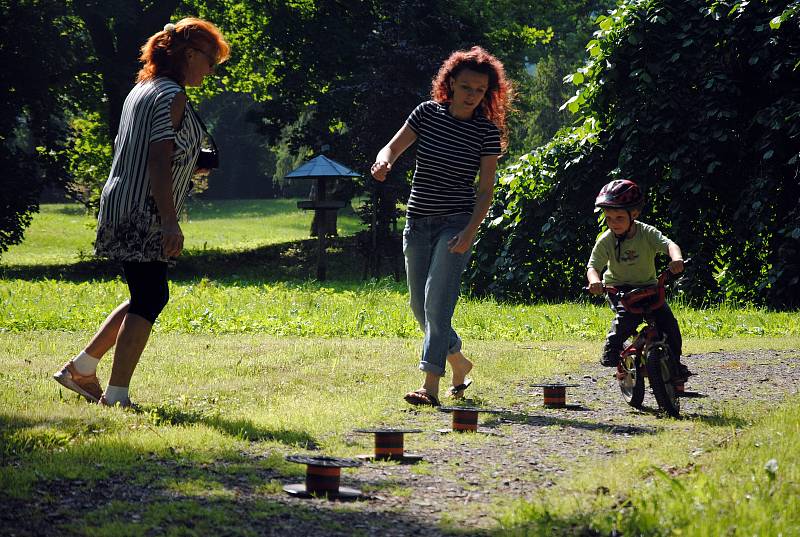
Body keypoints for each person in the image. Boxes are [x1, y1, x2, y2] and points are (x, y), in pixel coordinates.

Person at [53, 18, 230, 408]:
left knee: (144, 295)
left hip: (120, 202)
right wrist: (169, 220)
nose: (211, 69)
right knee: (151, 295)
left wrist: (191, 161)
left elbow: (142, 148)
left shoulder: (142, 90)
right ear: (188, 54)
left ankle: (81, 368)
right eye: (210, 60)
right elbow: (157, 159)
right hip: (144, 210)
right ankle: (115, 395)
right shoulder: (172, 95)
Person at [371, 46, 513, 406]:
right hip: (417, 222)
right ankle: (459, 362)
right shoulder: (426, 115)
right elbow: (391, 148)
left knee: (438, 305)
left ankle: (429, 386)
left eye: (479, 90)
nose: (472, 95)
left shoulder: (485, 132)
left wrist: (469, 233)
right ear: (450, 83)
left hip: (456, 224)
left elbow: (485, 191)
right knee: (419, 307)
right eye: (466, 87)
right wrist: (382, 163)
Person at [586, 179, 692, 381]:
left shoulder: (647, 233)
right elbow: (593, 266)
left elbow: (670, 245)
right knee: (627, 318)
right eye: (609, 218)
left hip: (649, 288)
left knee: (669, 325)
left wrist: (676, 259)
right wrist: (595, 281)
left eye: (619, 217)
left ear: (634, 214)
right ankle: (612, 346)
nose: (613, 223)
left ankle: (675, 363)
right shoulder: (606, 240)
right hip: (619, 289)